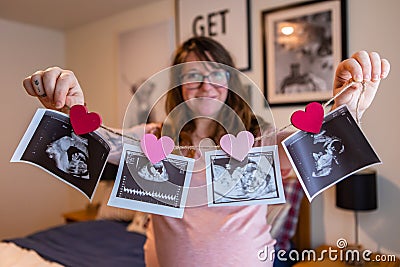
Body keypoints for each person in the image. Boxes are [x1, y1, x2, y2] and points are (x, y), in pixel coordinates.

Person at [22, 36, 390, 266]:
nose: (204, 84)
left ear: (229, 82)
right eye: (191, 75)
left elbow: (305, 143)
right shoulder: (152, 139)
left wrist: (349, 107)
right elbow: (100, 143)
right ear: (179, 88)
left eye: (215, 73)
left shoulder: (257, 140)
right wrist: (68, 112)